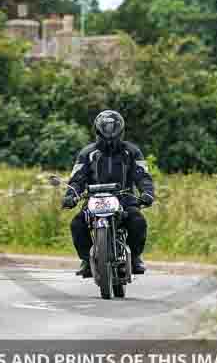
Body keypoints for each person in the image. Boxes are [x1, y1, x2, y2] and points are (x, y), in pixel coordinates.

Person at [62, 110, 155, 278]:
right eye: (105, 130)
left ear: (121, 131)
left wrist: (147, 193)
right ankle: (86, 261)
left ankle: (134, 258)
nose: (110, 135)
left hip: (125, 198)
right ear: (97, 131)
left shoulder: (132, 152)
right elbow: (77, 179)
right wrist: (71, 195)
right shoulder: (87, 153)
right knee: (77, 224)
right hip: (94, 199)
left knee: (138, 221)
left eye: (114, 130)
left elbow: (143, 176)